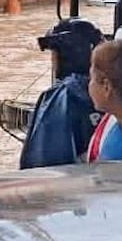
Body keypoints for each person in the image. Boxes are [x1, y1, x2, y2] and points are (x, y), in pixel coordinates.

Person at [19, 18, 104, 169]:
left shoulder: (61, 96)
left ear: (63, 55)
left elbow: (41, 160)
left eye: (53, 53)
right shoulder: (112, 88)